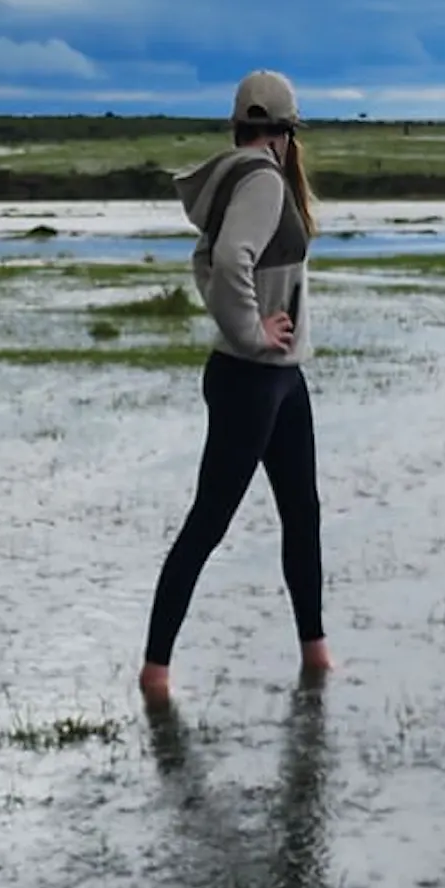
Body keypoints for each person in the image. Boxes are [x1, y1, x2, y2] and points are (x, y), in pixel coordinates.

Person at [141, 68, 330, 700]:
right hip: (252, 377)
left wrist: (242, 323)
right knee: (211, 520)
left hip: (279, 377)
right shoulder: (262, 182)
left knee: (302, 513)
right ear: (281, 132)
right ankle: (156, 671)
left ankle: (316, 655)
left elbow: (204, 259)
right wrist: (251, 331)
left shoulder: (232, 178)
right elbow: (227, 261)